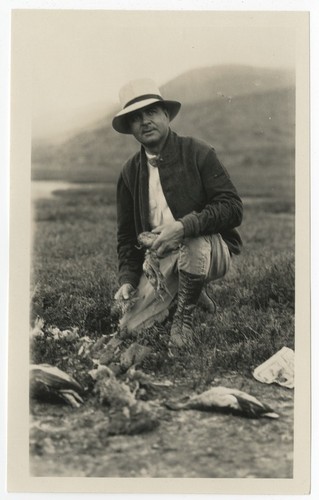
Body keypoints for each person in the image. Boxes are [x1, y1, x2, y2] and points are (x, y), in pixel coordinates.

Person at [112, 78, 243, 348]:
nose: (145, 121)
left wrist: (183, 227)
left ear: (166, 115)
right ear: (130, 129)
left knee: (191, 236)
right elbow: (127, 237)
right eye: (136, 118)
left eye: (151, 112)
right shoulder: (129, 172)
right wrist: (127, 279)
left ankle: (183, 318)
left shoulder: (199, 152)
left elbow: (232, 208)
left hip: (211, 251)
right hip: (161, 259)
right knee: (128, 328)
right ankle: (192, 291)